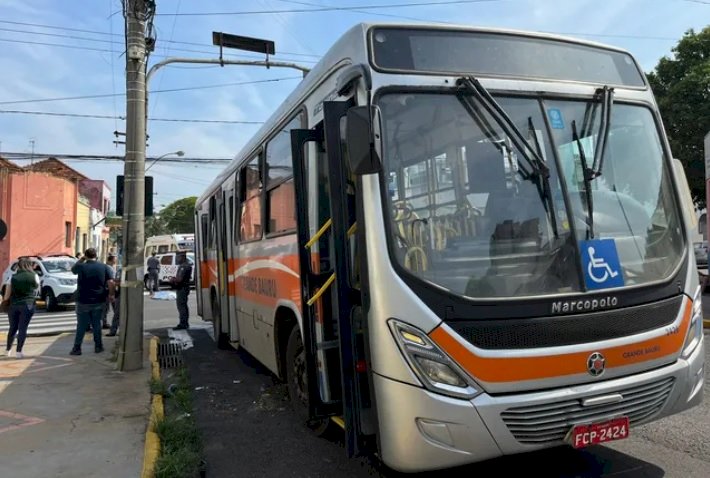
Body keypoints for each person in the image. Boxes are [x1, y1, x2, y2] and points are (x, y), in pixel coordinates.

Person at [70, 248, 115, 355]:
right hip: (98, 300)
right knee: (97, 324)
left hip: (82, 300)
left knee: (81, 325)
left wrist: (81, 259)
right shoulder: (104, 267)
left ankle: (77, 348)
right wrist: (111, 295)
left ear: (86, 256)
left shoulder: (81, 267)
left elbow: (73, 270)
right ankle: (98, 346)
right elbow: (111, 283)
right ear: (96, 255)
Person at [2, 258, 40, 358]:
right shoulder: (34, 276)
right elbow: (36, 288)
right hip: (28, 304)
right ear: (29, 265)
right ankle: (19, 352)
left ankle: (8, 350)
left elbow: (6, 295)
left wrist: (4, 302)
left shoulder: (12, 277)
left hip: (14, 305)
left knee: (13, 328)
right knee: (23, 328)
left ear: (18, 266)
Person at [172, 252, 192, 330]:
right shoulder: (186, 265)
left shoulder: (184, 266)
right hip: (184, 288)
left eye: (178, 257)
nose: (177, 259)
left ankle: (183, 323)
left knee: (181, 306)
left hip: (182, 288)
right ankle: (185, 323)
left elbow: (180, 279)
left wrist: (173, 279)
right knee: (183, 306)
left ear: (183, 257)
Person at [102, 255, 118, 330]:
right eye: (114, 260)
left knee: (106, 308)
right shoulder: (109, 268)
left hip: (107, 290)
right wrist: (112, 294)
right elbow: (111, 281)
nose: (115, 261)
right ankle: (115, 323)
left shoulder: (108, 268)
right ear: (110, 260)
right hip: (109, 290)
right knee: (114, 308)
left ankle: (104, 322)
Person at [106, 267, 121, 337]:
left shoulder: (120, 270)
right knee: (117, 314)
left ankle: (114, 331)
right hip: (121, 294)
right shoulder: (120, 270)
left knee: (117, 314)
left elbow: (115, 282)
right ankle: (114, 331)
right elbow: (116, 282)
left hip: (122, 294)